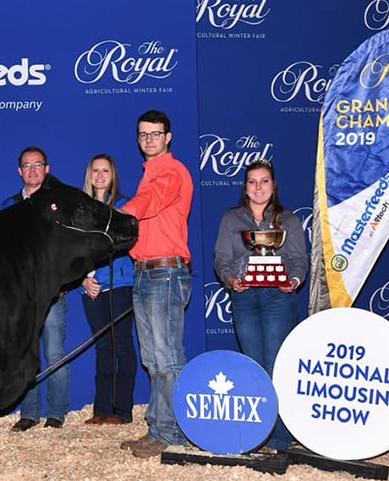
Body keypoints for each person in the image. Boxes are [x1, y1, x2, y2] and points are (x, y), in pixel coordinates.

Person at [213, 157, 307, 451]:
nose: (258, 187)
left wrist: (292, 281)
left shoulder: (288, 220)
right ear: (245, 187)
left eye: (264, 181)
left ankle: (280, 437)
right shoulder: (231, 219)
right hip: (244, 297)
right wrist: (230, 280)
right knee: (254, 365)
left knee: (277, 363)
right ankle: (256, 433)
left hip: (278, 297)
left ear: (273, 185)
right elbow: (222, 259)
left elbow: (298, 259)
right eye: (252, 182)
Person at [118, 110, 194, 458]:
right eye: (142, 134)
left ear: (169, 137)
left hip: (165, 272)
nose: (148, 140)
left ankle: (175, 432)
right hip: (146, 271)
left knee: (167, 357)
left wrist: (116, 216)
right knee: (152, 358)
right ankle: (157, 428)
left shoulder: (172, 172)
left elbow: (149, 204)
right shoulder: (148, 174)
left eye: (155, 133)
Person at [6, 146, 72, 431]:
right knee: (24, 355)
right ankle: (29, 413)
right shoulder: (9, 208)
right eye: (26, 165)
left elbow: (69, 251)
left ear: (47, 169)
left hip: (52, 294)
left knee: (55, 354)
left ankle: (56, 413)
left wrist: (61, 283)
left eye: (38, 165)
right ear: (19, 171)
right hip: (21, 297)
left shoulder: (59, 208)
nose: (32, 170)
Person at [79, 154, 137, 425]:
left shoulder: (123, 205)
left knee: (122, 345)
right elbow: (73, 249)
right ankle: (101, 409)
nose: (100, 176)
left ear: (112, 176)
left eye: (105, 171)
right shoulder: (80, 209)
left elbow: (129, 243)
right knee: (103, 347)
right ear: (89, 175)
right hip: (91, 286)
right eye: (95, 170)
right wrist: (82, 278)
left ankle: (122, 410)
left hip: (120, 282)